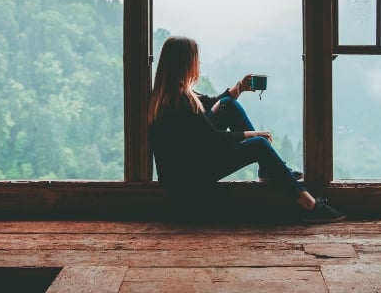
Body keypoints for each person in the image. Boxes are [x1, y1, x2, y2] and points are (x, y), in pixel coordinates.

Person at [148, 35, 345, 223]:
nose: (198, 65)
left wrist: (238, 89)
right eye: (195, 60)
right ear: (185, 64)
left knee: (227, 104)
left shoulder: (170, 94)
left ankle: (268, 170)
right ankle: (309, 205)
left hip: (186, 166)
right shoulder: (179, 101)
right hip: (187, 181)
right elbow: (213, 139)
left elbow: (210, 105)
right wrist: (254, 134)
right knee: (259, 144)